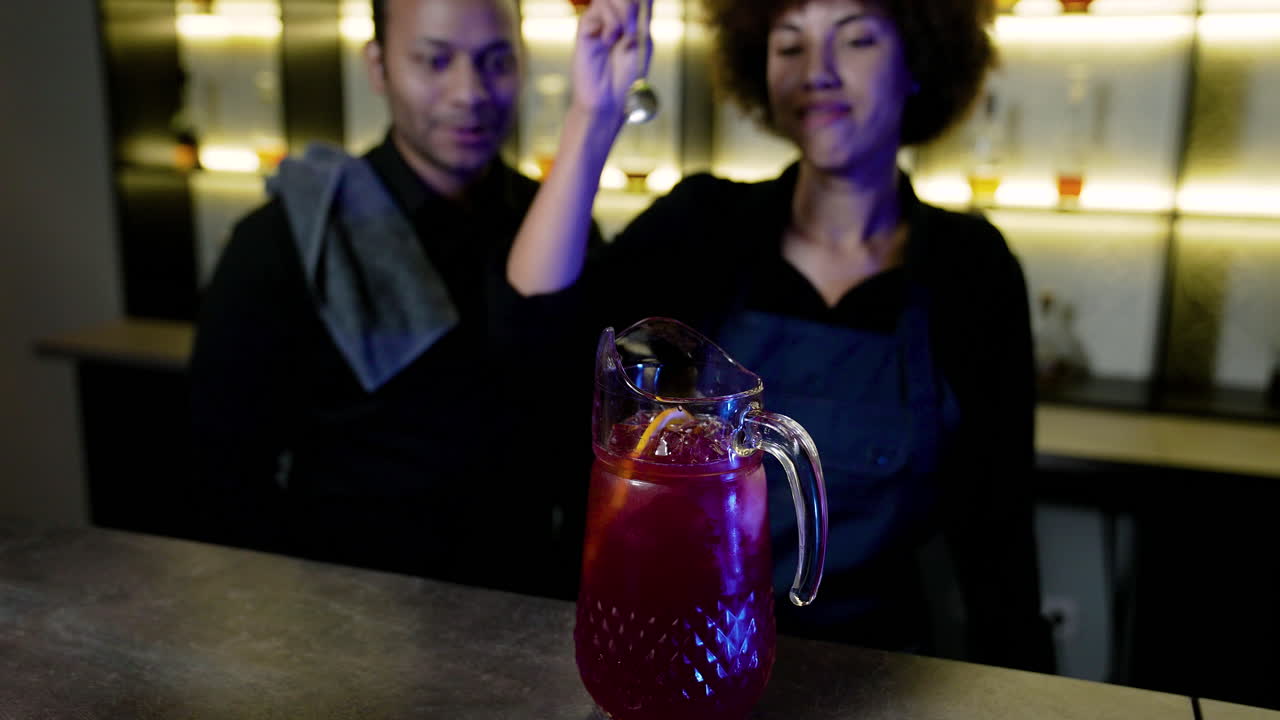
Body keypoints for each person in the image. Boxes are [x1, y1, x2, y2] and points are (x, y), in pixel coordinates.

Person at [505, 0, 1055, 670]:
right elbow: (537, 330)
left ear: (918, 61)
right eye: (788, 43)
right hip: (692, 655)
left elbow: (999, 531)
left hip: (877, 670)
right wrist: (594, 119)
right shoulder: (706, 223)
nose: (816, 71)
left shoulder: (972, 266)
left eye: (854, 40)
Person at [190, 0, 586, 594]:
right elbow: (223, 471)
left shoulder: (560, 226)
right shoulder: (291, 238)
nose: (470, 92)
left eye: (497, 61)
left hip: (529, 600)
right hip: (345, 608)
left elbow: (585, 445)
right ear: (378, 67)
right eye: (434, 60)